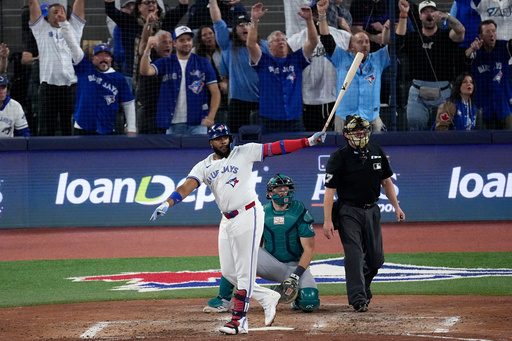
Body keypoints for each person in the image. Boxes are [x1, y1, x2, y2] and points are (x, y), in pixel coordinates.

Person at [149, 123, 326, 334]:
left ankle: (238, 320)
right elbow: (187, 186)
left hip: (248, 214)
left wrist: (308, 141)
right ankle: (267, 296)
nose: (223, 141)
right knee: (229, 272)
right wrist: (168, 202)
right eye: (218, 138)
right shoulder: (203, 166)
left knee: (243, 272)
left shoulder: (244, 151)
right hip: (226, 220)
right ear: (211, 142)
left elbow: (276, 147)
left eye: (226, 137)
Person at [322, 115, 405, 313]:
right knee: (354, 255)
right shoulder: (339, 157)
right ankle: (358, 298)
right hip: (348, 211)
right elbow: (329, 191)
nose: (360, 134)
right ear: (346, 134)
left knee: (377, 259)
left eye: (363, 130)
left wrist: (397, 207)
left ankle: (363, 286)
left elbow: (386, 182)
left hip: (372, 210)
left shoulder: (377, 151)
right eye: (356, 131)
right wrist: (326, 221)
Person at [204, 174, 319, 314]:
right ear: (270, 194)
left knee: (310, 301)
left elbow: (309, 249)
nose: (284, 192)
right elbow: (253, 244)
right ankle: (223, 299)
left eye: (286, 189)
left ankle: (296, 298)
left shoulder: (300, 211)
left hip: (296, 268)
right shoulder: (260, 212)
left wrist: (295, 276)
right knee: (238, 253)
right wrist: (249, 267)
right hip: (272, 265)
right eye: (279, 189)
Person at [318, 0, 390, 132]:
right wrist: (322, 14)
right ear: (351, 46)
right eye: (360, 42)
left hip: (371, 117)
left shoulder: (378, 59)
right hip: (344, 117)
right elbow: (326, 38)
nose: (364, 45)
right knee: (343, 150)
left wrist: (402, 16)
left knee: (375, 150)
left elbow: (396, 44)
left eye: (367, 42)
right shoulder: (341, 58)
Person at [248, 3, 318, 133]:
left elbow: (313, 42)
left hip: (294, 119)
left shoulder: (297, 59)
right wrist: (254, 20)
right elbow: (251, 44)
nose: (281, 42)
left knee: (300, 153)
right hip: (269, 120)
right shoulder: (263, 61)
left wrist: (309, 20)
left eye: (284, 40)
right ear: (269, 46)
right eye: (277, 40)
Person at [396, 0, 466, 131]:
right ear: (420, 16)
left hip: (443, 92)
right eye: (425, 12)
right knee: (415, 125)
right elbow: (398, 41)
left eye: (432, 11)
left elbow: (461, 31)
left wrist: (447, 17)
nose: (429, 14)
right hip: (418, 91)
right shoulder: (413, 37)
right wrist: (403, 14)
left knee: (444, 128)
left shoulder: (446, 35)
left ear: (436, 14)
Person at [61, 17, 136, 135]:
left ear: (111, 59)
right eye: (99, 55)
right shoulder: (84, 68)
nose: (104, 58)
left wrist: (132, 128)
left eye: (107, 55)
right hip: (82, 128)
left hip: (107, 130)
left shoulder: (118, 78)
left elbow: (128, 102)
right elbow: (73, 45)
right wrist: (63, 24)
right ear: (92, 58)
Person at [140, 26, 220, 134]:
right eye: (182, 40)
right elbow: (145, 71)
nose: (186, 43)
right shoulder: (165, 62)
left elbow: (215, 92)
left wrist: (211, 117)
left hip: (197, 123)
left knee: (198, 151)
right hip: (172, 124)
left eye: (189, 39)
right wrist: (148, 48)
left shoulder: (203, 63)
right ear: (175, 43)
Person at [287, 0, 351, 131]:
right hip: (309, 98)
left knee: (336, 139)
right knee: (313, 139)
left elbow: (354, 47)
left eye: (318, 12)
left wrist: (347, 28)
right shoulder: (299, 38)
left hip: (334, 97)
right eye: (313, 12)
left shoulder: (339, 35)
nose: (316, 15)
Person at [209, 0, 269, 133]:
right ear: (235, 30)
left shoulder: (264, 46)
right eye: (240, 25)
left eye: (248, 24)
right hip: (238, 102)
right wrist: (212, 2)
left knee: (263, 139)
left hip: (263, 100)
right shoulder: (228, 44)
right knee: (235, 139)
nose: (245, 27)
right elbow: (217, 21)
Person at [28, 0, 86, 136]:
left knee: (70, 128)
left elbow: (81, 2)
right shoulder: (41, 29)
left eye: (62, 11)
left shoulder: (73, 28)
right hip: (49, 88)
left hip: (71, 86)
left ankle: (72, 155)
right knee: (46, 128)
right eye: (55, 12)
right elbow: (31, 3)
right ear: (47, 17)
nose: (59, 14)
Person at [105, 0, 189, 89]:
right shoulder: (128, 21)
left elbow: (182, 9)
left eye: (153, 2)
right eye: (147, 2)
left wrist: (184, 3)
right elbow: (111, 11)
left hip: (164, 74)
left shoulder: (166, 20)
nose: (151, 5)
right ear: (139, 7)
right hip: (134, 75)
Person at [465, 20, 512, 129]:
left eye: (494, 31)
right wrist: (472, 49)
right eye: (488, 32)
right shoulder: (476, 51)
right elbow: (465, 57)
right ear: (481, 35)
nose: (492, 34)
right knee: (484, 140)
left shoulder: (503, 47)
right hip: (483, 104)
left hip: (503, 104)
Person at [136, 30, 173, 134]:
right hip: (149, 111)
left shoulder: (174, 60)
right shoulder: (148, 58)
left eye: (170, 42)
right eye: (164, 42)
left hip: (166, 112)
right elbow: (143, 42)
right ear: (155, 45)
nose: (168, 45)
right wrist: (148, 24)